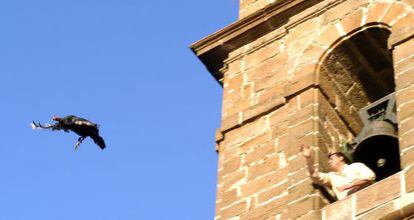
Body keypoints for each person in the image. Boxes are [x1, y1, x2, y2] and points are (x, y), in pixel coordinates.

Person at [301, 145, 376, 200]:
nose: (329, 161)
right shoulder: (331, 176)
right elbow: (314, 175)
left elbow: (370, 176)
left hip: (367, 197)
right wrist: (308, 158)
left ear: (341, 157)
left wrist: (349, 185)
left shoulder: (356, 166)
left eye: (331, 158)